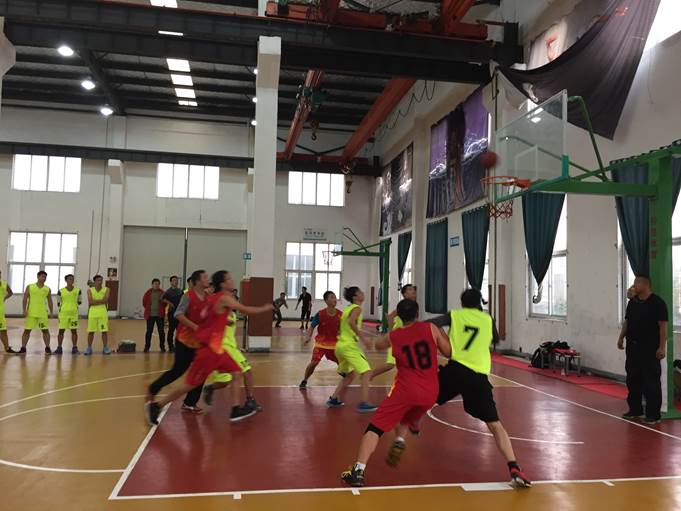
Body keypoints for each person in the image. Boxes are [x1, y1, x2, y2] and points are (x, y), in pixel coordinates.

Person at [341, 299, 451, 487]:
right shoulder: (431, 329)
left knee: (375, 428)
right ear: (418, 314)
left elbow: (378, 345)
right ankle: (401, 437)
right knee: (406, 416)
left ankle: (358, 470)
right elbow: (448, 352)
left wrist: (390, 327)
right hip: (430, 393)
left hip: (405, 391)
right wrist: (442, 332)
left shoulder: (395, 336)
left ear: (399, 316)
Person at [429, 288, 531, 488]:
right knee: (495, 425)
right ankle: (514, 466)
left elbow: (431, 324)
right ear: (479, 302)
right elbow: (496, 339)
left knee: (426, 397)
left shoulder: (454, 315)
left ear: (462, 302)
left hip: (456, 369)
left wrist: (443, 337)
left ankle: (408, 426)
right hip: (478, 376)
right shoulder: (487, 319)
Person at [145, 270, 272, 425]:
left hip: (217, 350)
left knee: (237, 371)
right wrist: (265, 308)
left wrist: (222, 322)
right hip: (208, 351)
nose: (232, 281)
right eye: (229, 279)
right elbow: (245, 310)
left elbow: (210, 318)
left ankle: (235, 409)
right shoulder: (222, 298)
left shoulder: (210, 298)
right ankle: (157, 406)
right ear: (223, 284)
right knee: (188, 384)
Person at [147, 270, 210, 414]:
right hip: (184, 341)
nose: (208, 279)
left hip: (199, 342)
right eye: (205, 277)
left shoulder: (208, 298)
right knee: (177, 371)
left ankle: (190, 402)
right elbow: (178, 314)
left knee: (201, 371)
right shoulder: (188, 296)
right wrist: (195, 326)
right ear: (197, 281)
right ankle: (154, 388)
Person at [203, 280, 270, 412]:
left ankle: (210, 388)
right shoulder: (219, 308)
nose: (232, 297)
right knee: (244, 373)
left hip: (230, 348)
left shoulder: (232, 314)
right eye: (230, 294)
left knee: (228, 380)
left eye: (234, 295)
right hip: (221, 348)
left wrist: (236, 346)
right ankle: (248, 402)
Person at [618, 275, 668, 424]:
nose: (634, 285)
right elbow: (627, 321)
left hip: (650, 348)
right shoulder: (632, 303)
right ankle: (635, 410)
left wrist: (662, 347)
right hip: (633, 347)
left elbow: (663, 327)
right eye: (634, 282)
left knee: (650, 382)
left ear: (646, 284)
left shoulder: (657, 303)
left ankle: (653, 414)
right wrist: (621, 337)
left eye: (637, 282)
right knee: (632, 379)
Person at [327, 286, 377, 413]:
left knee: (350, 375)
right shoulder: (356, 308)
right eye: (360, 292)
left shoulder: (347, 309)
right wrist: (364, 339)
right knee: (366, 372)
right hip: (349, 346)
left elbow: (343, 325)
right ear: (355, 297)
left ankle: (334, 398)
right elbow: (351, 322)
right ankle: (364, 402)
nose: (363, 293)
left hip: (340, 346)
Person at [371, 284, 417, 380]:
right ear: (404, 294)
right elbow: (390, 317)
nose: (413, 291)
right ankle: (371, 374)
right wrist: (391, 331)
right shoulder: (403, 306)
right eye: (410, 289)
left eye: (413, 289)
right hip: (397, 338)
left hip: (406, 339)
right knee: (390, 364)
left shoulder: (415, 307)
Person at [299, 290, 340, 389]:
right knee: (314, 362)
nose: (334, 299)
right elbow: (312, 327)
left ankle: (346, 377)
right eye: (332, 297)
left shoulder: (341, 315)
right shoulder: (320, 314)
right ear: (326, 301)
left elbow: (345, 330)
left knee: (343, 363)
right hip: (321, 344)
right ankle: (304, 380)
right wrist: (308, 337)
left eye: (335, 297)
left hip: (335, 345)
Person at [19, 270, 53, 355]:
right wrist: (24, 310)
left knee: (45, 330)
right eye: (42, 276)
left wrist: (51, 312)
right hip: (31, 313)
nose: (44, 278)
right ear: (38, 277)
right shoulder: (30, 287)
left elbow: (50, 301)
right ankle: (23, 347)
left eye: (45, 277)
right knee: (27, 330)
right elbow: (25, 299)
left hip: (42, 313)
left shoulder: (47, 289)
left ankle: (47, 347)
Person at [56, 274, 81, 355]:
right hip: (63, 314)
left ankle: (74, 348)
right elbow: (58, 303)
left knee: (74, 331)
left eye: (72, 279)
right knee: (61, 331)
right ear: (66, 280)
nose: (71, 280)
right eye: (69, 279)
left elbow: (79, 302)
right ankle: (59, 348)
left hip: (74, 314)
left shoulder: (78, 290)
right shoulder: (60, 291)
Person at [85, 275, 110, 355]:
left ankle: (105, 347)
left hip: (103, 313)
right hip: (92, 313)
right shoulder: (89, 290)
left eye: (101, 280)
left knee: (104, 331)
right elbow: (90, 302)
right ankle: (89, 348)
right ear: (94, 282)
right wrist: (101, 301)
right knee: (91, 331)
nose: (100, 282)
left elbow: (106, 300)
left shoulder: (106, 289)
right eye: (98, 280)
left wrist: (95, 301)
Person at [143, 278, 166, 352]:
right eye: (155, 284)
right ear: (152, 285)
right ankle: (147, 347)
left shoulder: (162, 293)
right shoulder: (148, 292)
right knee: (149, 332)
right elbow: (144, 302)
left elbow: (165, 303)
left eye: (158, 284)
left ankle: (162, 347)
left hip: (160, 316)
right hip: (150, 315)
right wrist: (148, 309)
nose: (157, 285)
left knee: (161, 332)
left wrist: (161, 310)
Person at [162, 276, 183, 352]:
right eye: (174, 280)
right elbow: (162, 299)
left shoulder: (180, 291)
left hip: (179, 314)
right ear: (171, 282)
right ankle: (171, 347)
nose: (176, 282)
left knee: (180, 331)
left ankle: (179, 346)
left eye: (176, 280)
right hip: (171, 313)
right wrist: (169, 303)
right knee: (171, 330)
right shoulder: (168, 291)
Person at [0, 271, 15, 353]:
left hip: (0, 312)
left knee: (3, 330)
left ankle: (7, 348)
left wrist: (4, 298)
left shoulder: (4, 284)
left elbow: (10, 292)